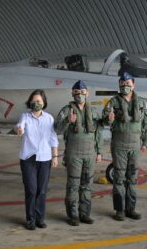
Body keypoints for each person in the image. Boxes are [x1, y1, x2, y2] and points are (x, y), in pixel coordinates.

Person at [102, 72, 147, 221]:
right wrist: (108, 119)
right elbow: (104, 122)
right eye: (122, 84)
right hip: (119, 145)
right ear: (119, 85)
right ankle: (119, 210)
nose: (125, 86)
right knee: (119, 178)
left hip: (135, 145)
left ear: (133, 85)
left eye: (128, 84)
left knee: (132, 178)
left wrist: (145, 143)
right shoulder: (112, 103)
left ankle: (131, 209)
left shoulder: (142, 103)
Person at [54, 80, 103, 226]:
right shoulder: (66, 110)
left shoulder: (93, 111)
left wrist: (99, 151)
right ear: (72, 94)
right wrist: (68, 121)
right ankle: (72, 215)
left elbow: (98, 133)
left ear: (87, 93)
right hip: (73, 153)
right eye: (76, 93)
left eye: (82, 92)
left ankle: (84, 214)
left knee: (87, 184)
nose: (79, 95)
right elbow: (57, 130)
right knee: (73, 185)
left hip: (89, 153)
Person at [15, 89, 59, 230]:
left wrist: (55, 156)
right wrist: (19, 130)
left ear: (44, 102)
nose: (36, 103)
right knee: (31, 189)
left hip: (45, 158)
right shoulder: (25, 116)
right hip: (28, 158)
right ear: (30, 102)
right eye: (34, 101)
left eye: (39, 101)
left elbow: (53, 139)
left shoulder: (49, 118)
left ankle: (40, 219)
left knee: (42, 190)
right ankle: (30, 219)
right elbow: (19, 126)